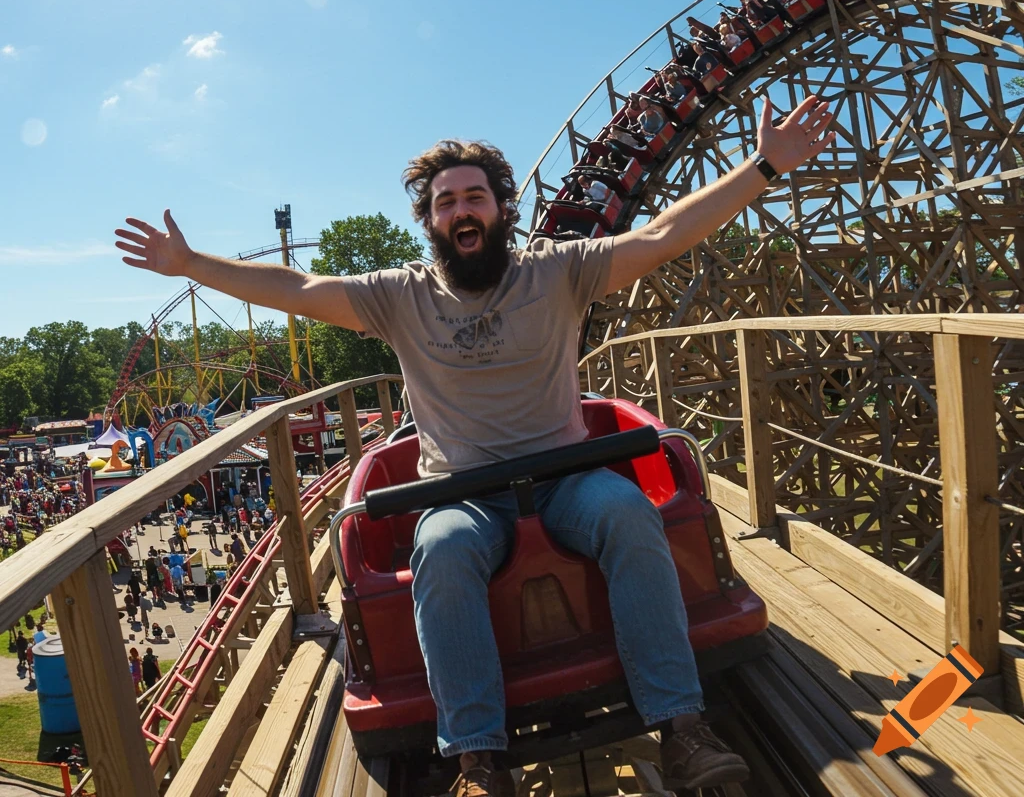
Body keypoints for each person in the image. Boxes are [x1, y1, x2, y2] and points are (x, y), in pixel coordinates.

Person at [116, 104, 834, 795]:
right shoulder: (399, 296)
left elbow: (661, 237)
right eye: (446, 201)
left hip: (566, 476)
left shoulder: (557, 272)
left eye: (475, 197)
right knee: (443, 551)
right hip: (456, 490)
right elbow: (298, 285)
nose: (462, 211)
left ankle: (682, 726)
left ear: (500, 208)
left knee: (627, 513)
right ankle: (480, 761)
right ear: (430, 220)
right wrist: (191, 264)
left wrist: (763, 166)